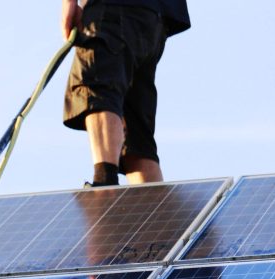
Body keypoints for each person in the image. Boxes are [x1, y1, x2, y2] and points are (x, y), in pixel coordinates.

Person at [60, 0, 190, 187]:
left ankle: (105, 182)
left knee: (97, 86)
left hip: (112, 8)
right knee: (136, 129)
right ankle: (152, 209)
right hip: (156, 19)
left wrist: (69, 4)